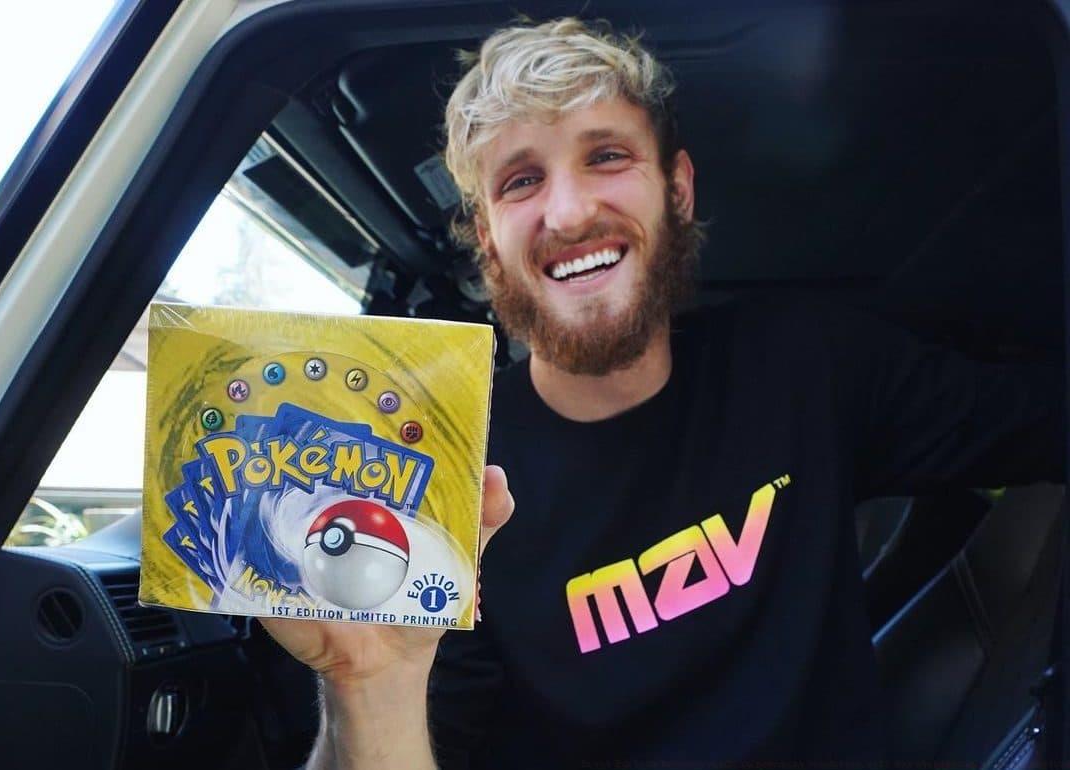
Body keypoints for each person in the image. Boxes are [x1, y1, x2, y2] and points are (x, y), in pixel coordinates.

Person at [261, 17, 1065, 769]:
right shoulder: (448, 471)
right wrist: (366, 688)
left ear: (677, 190)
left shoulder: (802, 362)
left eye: (607, 157)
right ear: (488, 244)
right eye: (522, 180)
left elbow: (1040, 421)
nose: (569, 212)